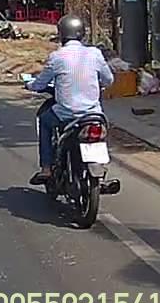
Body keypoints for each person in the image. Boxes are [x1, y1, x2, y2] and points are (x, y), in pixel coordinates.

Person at [25, 14, 114, 185]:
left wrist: (30, 85)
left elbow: (40, 84)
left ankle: (46, 168)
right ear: (82, 33)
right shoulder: (95, 53)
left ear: (61, 34)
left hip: (65, 114)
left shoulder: (57, 57)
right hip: (93, 114)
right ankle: (101, 169)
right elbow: (108, 80)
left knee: (44, 120)